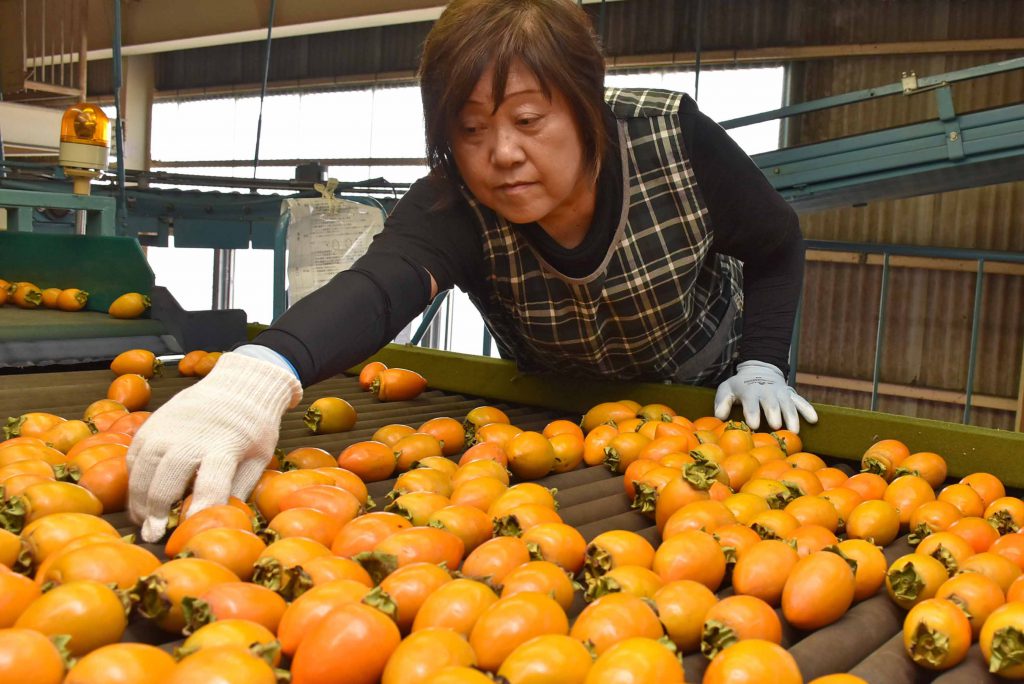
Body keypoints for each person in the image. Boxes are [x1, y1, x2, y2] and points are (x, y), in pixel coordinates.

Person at [127, 0, 817, 542]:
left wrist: (761, 363)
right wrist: (259, 374)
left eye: (526, 118)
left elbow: (777, 244)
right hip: (566, 415)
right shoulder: (455, 203)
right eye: (471, 129)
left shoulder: (672, 140)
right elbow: (379, 286)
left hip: (710, 394)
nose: (502, 153)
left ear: (586, 106)